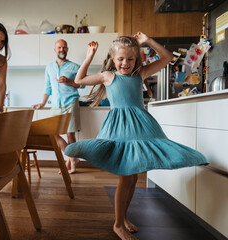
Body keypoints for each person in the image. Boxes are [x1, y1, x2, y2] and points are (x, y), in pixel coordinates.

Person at [65, 32, 208, 240]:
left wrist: (148, 41)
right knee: (126, 177)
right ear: (113, 59)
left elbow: (167, 58)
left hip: (141, 127)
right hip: (119, 129)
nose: (125, 63)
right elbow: (79, 80)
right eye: (120, 59)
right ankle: (117, 224)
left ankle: (123, 218)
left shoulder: (139, 74)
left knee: (133, 178)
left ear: (137, 59)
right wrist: (89, 55)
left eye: (130, 59)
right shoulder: (108, 76)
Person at [32, 39, 83, 174]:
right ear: (55, 50)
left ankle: (71, 164)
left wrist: (69, 81)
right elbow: (48, 88)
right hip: (56, 105)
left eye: (64, 47)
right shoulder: (49, 67)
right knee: (51, 133)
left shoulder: (74, 66)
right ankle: (73, 158)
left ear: (67, 49)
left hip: (70, 103)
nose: (62, 50)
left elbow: (82, 84)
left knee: (70, 135)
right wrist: (42, 103)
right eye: (59, 47)